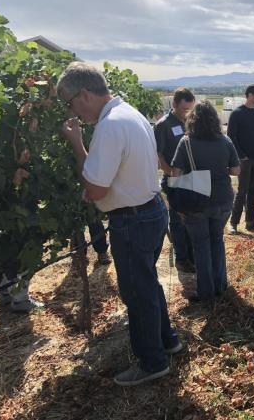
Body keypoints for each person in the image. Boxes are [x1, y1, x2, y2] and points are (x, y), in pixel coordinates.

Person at [59, 62, 180, 386]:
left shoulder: (110, 125)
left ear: (84, 94)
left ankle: (152, 361)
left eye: (71, 104)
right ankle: (167, 340)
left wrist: (76, 144)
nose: (74, 112)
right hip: (151, 210)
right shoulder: (131, 113)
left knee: (137, 292)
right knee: (147, 282)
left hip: (132, 221)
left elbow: (96, 187)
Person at [171, 101, 240, 302]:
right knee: (217, 240)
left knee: (200, 245)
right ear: (215, 120)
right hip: (223, 200)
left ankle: (206, 292)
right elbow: (236, 171)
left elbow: (176, 174)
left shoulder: (186, 142)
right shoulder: (225, 140)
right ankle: (221, 286)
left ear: (192, 119)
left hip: (196, 201)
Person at [154, 87, 196, 273]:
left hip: (193, 178)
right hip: (175, 179)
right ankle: (182, 259)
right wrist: (170, 172)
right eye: (184, 109)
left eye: (190, 109)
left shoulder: (192, 122)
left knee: (193, 219)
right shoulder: (163, 125)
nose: (187, 113)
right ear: (174, 104)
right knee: (178, 221)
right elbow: (158, 154)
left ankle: (192, 254)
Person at [227, 84, 254, 233]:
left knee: (253, 190)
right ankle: (233, 223)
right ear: (251, 95)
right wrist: (241, 156)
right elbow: (231, 137)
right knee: (242, 191)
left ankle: (250, 222)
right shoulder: (237, 113)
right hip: (245, 161)